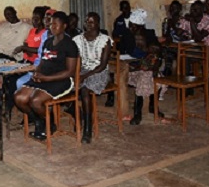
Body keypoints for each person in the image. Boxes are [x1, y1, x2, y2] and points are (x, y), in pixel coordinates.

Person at [14, 11, 79, 140]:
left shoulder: (69, 45)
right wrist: (37, 72)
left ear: (64, 26)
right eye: (51, 24)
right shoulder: (48, 42)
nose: (52, 27)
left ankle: (50, 125)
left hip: (62, 80)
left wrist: (46, 78)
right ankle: (40, 122)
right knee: (19, 97)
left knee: (36, 101)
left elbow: (70, 72)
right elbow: (43, 61)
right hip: (45, 77)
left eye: (56, 24)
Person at [177, 0, 209, 108]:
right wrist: (180, 25)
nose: (193, 11)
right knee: (183, 56)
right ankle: (188, 87)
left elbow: (199, 37)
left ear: (203, 10)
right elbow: (179, 32)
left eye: (196, 9)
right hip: (199, 48)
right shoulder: (189, 19)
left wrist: (192, 23)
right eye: (192, 9)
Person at [73, 12, 112, 144]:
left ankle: (87, 129)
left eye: (91, 22)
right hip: (83, 70)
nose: (88, 25)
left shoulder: (105, 40)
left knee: (84, 90)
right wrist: (78, 74)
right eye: (86, 22)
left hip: (98, 72)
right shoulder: (78, 40)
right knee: (67, 86)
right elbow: (77, 61)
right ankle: (78, 114)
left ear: (98, 24)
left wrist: (84, 76)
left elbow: (102, 65)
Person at [120, 8, 163, 121]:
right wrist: (146, 52)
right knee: (149, 76)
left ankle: (139, 112)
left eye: (133, 26)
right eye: (130, 24)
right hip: (131, 68)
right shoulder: (128, 34)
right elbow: (129, 51)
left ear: (140, 27)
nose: (131, 27)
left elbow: (157, 49)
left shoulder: (149, 34)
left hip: (146, 68)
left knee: (148, 76)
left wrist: (148, 51)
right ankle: (151, 108)